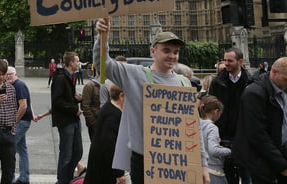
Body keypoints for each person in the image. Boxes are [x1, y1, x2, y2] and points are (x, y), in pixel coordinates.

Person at [93, 17, 210, 184]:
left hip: (178, 161)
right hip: (145, 162)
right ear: (153, 51)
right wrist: (102, 36)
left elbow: (194, 127)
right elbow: (102, 64)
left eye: (176, 52)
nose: (172, 56)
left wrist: (203, 164)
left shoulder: (184, 83)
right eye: (166, 50)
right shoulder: (136, 75)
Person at [232, 57, 287, 184]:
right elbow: (257, 135)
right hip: (260, 160)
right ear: (275, 72)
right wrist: (281, 165)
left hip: (281, 154)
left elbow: (285, 115)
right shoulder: (254, 94)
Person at [208, 47, 251, 184]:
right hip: (223, 133)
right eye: (225, 60)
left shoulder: (250, 82)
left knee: (246, 173)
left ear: (240, 61)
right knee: (226, 173)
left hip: (244, 133)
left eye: (230, 61)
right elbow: (211, 107)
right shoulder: (217, 82)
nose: (226, 63)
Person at [51, 51, 83, 184]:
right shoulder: (60, 77)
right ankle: (62, 180)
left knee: (78, 152)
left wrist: (77, 99)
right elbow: (57, 101)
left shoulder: (71, 76)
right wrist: (74, 109)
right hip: (66, 121)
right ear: (71, 63)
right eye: (77, 61)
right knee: (66, 154)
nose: (79, 63)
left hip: (73, 119)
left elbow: (67, 98)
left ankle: (68, 177)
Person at [84, 83, 125, 184]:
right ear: (121, 96)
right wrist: (118, 173)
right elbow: (109, 145)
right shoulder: (114, 115)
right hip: (104, 168)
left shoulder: (109, 106)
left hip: (100, 163)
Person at [6, 66, 34, 184]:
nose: (7, 77)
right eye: (6, 75)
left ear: (15, 74)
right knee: (22, 150)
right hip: (24, 120)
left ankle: (10, 178)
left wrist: (14, 122)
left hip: (21, 121)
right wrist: (33, 115)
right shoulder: (17, 85)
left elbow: (23, 105)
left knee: (9, 149)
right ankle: (24, 177)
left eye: (10, 74)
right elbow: (28, 102)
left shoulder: (18, 85)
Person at [198, 95, 231, 184]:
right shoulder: (212, 128)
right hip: (213, 171)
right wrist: (230, 150)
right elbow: (213, 150)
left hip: (200, 169)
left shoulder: (197, 124)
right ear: (216, 111)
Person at [80, 76, 100, 141]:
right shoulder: (90, 86)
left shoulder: (108, 85)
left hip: (106, 124)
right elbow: (85, 106)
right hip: (95, 124)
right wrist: (93, 123)